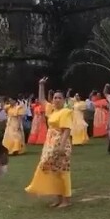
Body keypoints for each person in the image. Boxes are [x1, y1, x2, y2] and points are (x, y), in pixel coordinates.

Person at [25, 77, 74, 208]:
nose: (57, 100)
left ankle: (66, 199)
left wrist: (62, 146)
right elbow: (42, 101)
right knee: (52, 170)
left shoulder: (66, 112)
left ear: (64, 100)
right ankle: (58, 197)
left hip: (60, 143)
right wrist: (41, 85)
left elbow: (66, 130)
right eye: (55, 98)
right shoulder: (52, 110)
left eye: (59, 98)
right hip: (50, 143)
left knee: (63, 171)